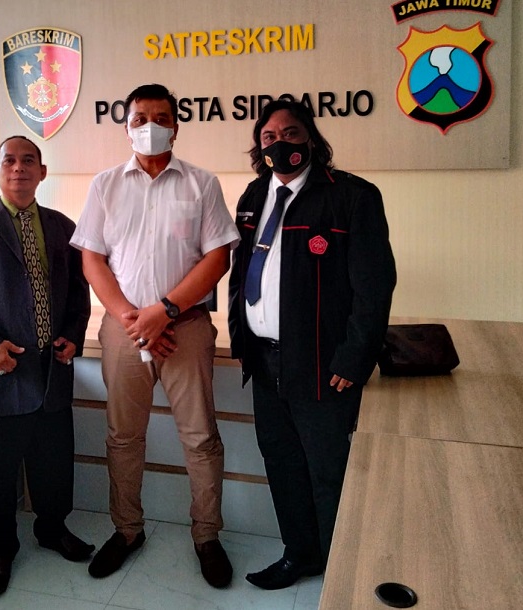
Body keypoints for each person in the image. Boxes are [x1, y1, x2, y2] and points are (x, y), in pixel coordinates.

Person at [70, 83, 240, 588]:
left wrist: (164, 313)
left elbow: (218, 257)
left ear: (176, 127)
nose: (150, 127)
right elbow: (92, 259)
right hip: (124, 330)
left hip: (185, 328)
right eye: (140, 118)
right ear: (126, 127)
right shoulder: (105, 185)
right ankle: (127, 530)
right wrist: (133, 319)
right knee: (123, 436)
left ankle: (207, 536)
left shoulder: (202, 184)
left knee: (201, 437)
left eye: (161, 118)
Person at [228, 99, 396, 590]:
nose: (279, 143)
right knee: (282, 463)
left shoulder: (352, 196)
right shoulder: (254, 195)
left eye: (291, 133)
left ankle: (344, 571)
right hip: (265, 361)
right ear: (259, 148)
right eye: (269, 137)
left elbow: (374, 286)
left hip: (324, 365)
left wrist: (355, 357)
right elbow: (241, 274)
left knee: (329, 472)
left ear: (311, 139)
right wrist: (242, 340)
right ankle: (300, 555)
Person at [0, 135, 93, 597]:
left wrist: (73, 335)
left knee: (53, 461)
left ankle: (52, 528)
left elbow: (78, 293)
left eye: (29, 161)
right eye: (9, 161)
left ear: (43, 172)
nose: (19, 168)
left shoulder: (64, 227)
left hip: (51, 369)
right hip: (0, 371)